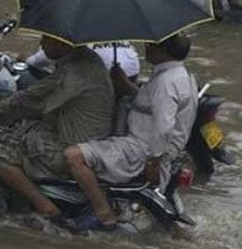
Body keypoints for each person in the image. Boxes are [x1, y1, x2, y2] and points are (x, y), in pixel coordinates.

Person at [0, 35, 114, 224]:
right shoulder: (88, 59)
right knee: (17, 129)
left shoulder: (70, 74)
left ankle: (45, 207)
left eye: (46, 40)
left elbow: (27, 99)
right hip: (87, 134)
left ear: (61, 43)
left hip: (71, 142)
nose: (42, 44)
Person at [63, 33, 198, 231]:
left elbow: (163, 127)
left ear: (164, 51)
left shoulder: (165, 82)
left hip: (141, 149)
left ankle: (103, 213)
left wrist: (153, 161)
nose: (146, 47)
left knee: (73, 156)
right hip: (149, 147)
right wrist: (125, 84)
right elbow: (152, 105)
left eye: (152, 45)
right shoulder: (178, 75)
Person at [25, 41, 140, 83]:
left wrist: (26, 61)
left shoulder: (75, 33)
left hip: (110, 79)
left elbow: (40, 60)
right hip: (132, 75)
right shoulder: (116, 30)